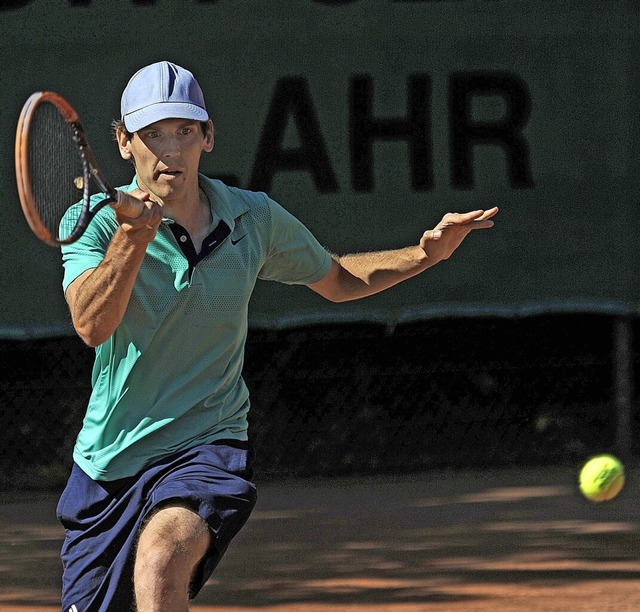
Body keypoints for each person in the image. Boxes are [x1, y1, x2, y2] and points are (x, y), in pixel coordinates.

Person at [57, 60, 498, 612]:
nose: (169, 149)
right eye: (152, 134)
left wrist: (425, 254)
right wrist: (133, 238)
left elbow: (335, 279)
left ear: (207, 137)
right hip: (108, 467)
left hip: (206, 443)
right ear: (124, 143)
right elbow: (92, 324)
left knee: (162, 558)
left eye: (185, 131)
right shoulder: (94, 222)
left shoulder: (253, 218)